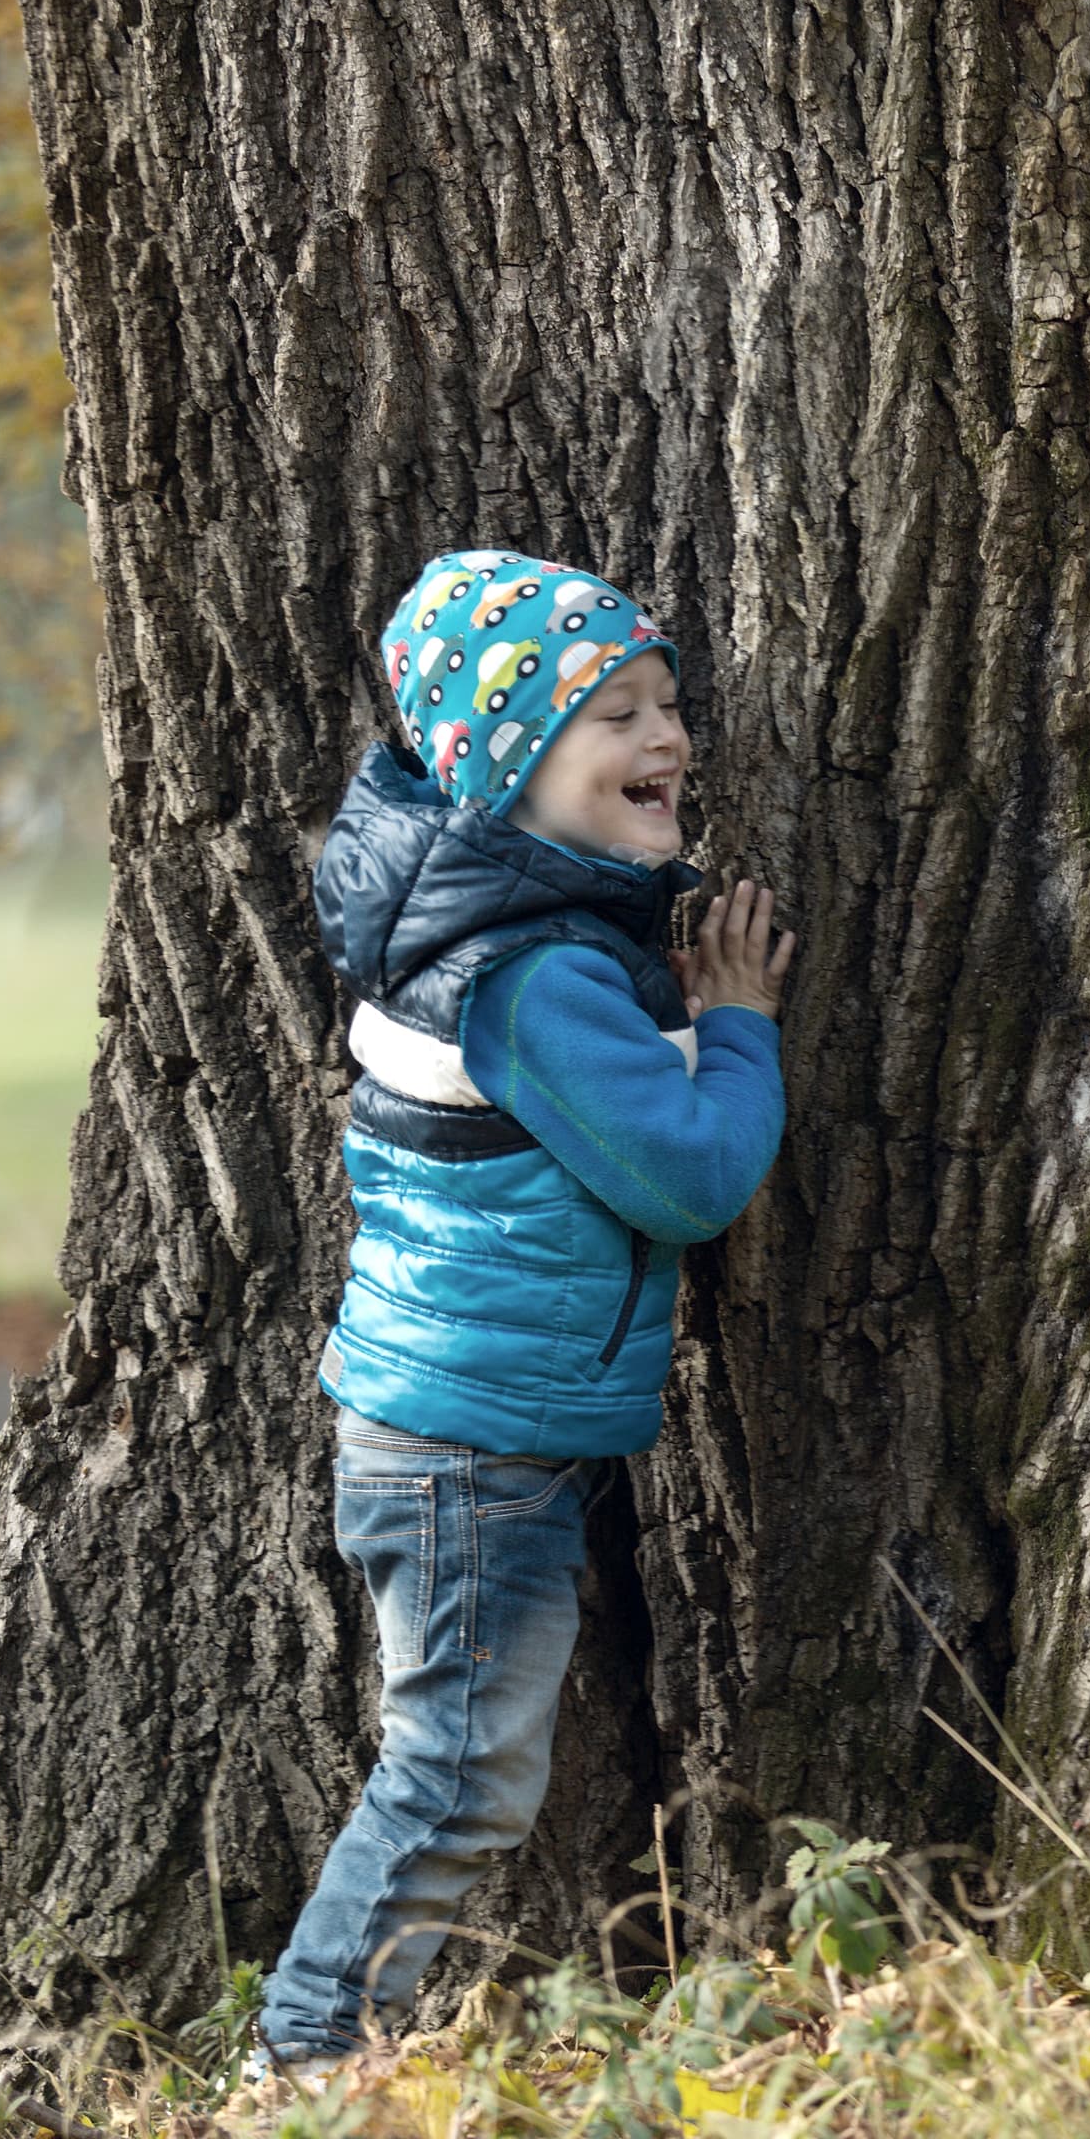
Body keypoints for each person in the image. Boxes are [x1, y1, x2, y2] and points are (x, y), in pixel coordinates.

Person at [250, 549, 796, 2073]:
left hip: (465, 1431)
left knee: (463, 1765)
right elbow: (688, 1180)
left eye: (667, 702)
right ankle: (301, 2059)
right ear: (506, 762)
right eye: (616, 713)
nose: (668, 738)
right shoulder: (531, 973)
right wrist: (737, 1026)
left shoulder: (490, 934)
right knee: (458, 1779)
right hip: (470, 1455)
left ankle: (313, 2047)